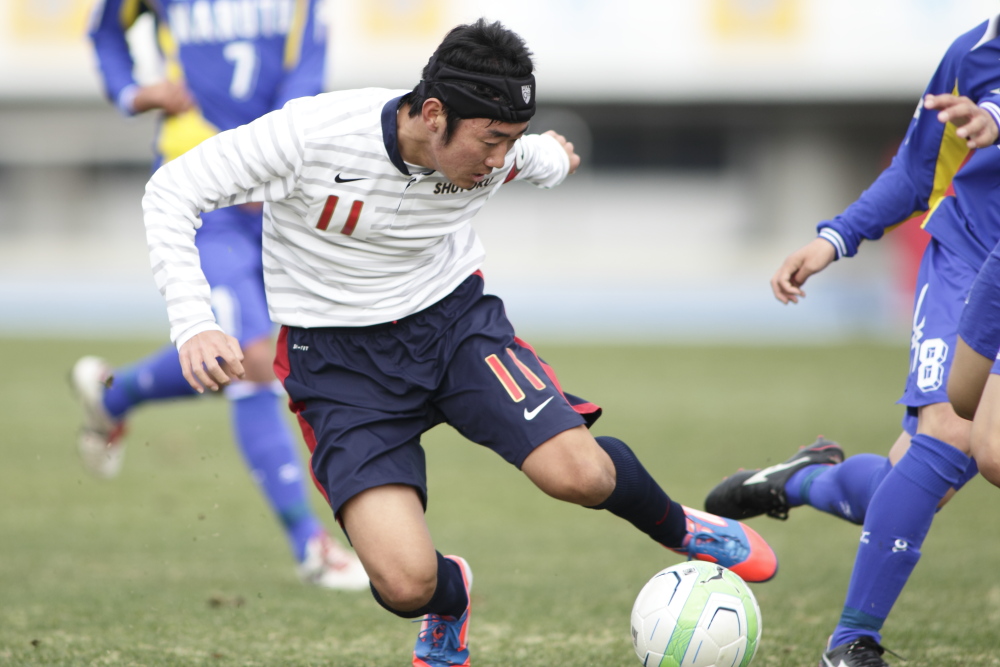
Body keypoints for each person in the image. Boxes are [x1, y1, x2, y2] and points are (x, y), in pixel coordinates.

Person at [137, 18, 779, 667]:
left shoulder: (495, 153)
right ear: (435, 114)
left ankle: (680, 525)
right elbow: (172, 191)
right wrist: (194, 320)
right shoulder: (310, 135)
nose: (501, 159)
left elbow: (539, 157)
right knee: (403, 582)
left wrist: (551, 156)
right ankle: (450, 599)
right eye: (492, 141)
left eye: (513, 141)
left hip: (454, 329)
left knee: (579, 474)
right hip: (338, 367)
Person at [703, 15, 1000, 667]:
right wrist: (833, 238)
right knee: (957, 434)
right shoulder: (972, 54)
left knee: (912, 484)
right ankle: (851, 641)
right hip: (974, 261)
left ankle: (806, 479)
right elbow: (917, 172)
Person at [78, 0, 367, 591]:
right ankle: (310, 547)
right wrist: (134, 92)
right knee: (254, 357)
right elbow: (104, 30)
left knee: (276, 349)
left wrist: (279, 156)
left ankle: (115, 396)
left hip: (277, 183)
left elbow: (307, 65)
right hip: (199, 181)